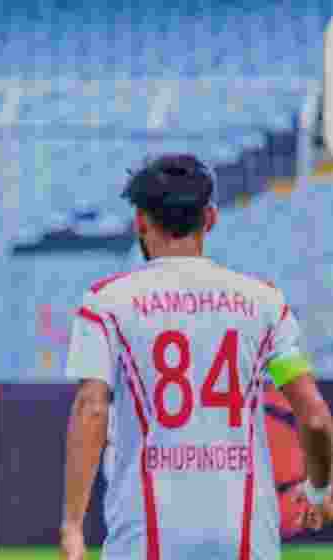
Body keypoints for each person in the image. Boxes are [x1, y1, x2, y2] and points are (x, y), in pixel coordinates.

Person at [58, 154, 333, 560]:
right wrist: (319, 489)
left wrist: (73, 525)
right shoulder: (264, 303)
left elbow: (91, 409)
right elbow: (314, 417)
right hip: (244, 534)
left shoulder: (106, 303)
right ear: (210, 218)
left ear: (140, 221)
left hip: (146, 533)